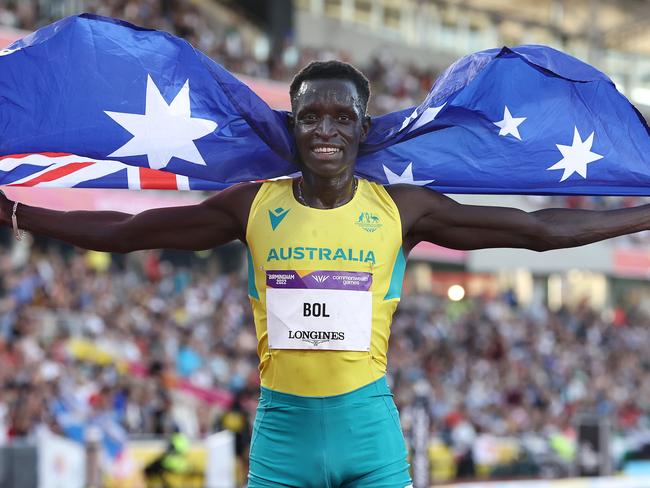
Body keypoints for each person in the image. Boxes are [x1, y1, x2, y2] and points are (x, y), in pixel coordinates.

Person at [2, 60, 650, 487]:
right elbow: (128, 232)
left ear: (364, 130)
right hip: (281, 439)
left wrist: (641, 217)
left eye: (342, 117)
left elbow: (536, 233)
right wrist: (19, 214)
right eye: (311, 115)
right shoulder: (253, 206)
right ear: (293, 125)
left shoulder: (400, 210)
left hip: (368, 436)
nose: (326, 130)